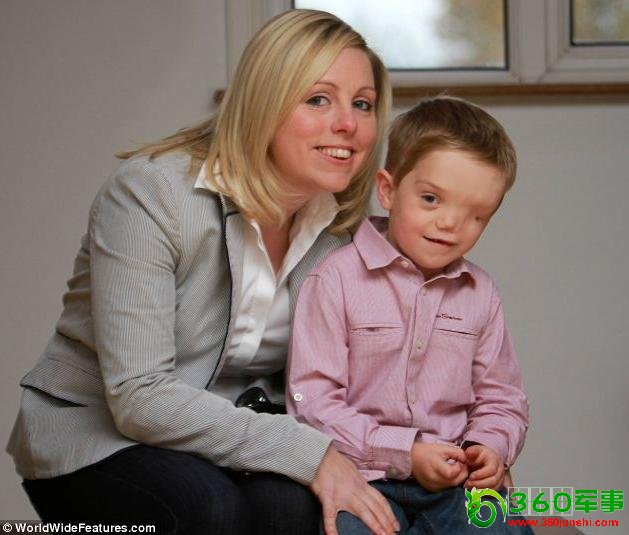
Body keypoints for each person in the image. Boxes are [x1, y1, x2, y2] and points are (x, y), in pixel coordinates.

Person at [6, 9, 400, 535]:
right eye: (318, 99)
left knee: (297, 512)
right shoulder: (152, 195)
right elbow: (140, 397)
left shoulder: (343, 228)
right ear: (262, 102)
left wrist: (464, 442)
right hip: (100, 433)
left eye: (363, 104)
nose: (348, 124)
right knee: (209, 510)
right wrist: (310, 452)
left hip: (243, 430)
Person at [287, 96, 532, 533]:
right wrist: (407, 452)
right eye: (431, 199)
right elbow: (314, 403)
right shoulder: (334, 280)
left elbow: (502, 398)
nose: (450, 224)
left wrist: (489, 446)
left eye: (476, 215)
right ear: (388, 189)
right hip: (361, 474)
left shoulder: (481, 294)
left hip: (454, 482)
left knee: (500, 529)